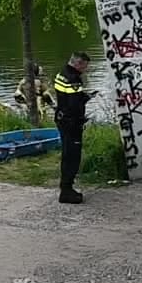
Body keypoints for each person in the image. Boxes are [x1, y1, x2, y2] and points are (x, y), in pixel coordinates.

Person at [52, 52, 92, 204]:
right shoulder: (74, 79)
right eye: (84, 66)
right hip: (71, 123)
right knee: (73, 157)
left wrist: (82, 96)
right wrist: (85, 99)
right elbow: (74, 104)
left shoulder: (61, 74)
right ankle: (67, 191)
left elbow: (65, 97)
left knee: (66, 154)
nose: (85, 69)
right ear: (78, 63)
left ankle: (66, 188)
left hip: (61, 118)